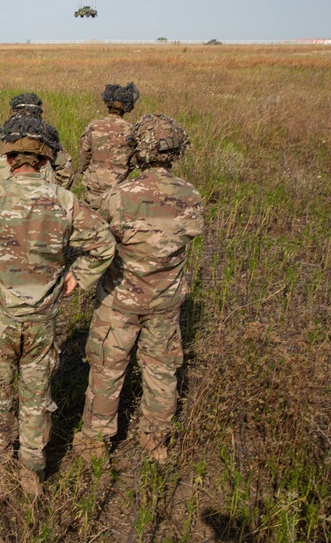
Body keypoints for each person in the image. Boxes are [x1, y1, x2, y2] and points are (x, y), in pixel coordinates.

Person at [0, 113, 115, 497]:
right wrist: (77, 276)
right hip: (42, 321)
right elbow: (103, 243)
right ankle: (32, 470)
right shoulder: (64, 200)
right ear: (47, 159)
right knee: (37, 398)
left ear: (7, 158)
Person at [72, 113, 204, 463]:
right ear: (176, 150)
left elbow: (98, 240)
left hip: (119, 301)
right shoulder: (190, 195)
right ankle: (155, 438)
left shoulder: (120, 195)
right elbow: (187, 234)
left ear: (139, 150)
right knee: (161, 370)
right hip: (166, 301)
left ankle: (95, 442)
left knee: (107, 368)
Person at [0, 93, 75, 192]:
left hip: (3, 198)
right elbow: (65, 173)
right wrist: (56, 195)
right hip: (42, 199)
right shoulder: (48, 142)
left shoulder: (3, 140)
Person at [77, 83, 140, 210]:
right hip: (119, 191)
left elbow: (84, 154)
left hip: (94, 191)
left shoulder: (94, 126)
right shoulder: (131, 130)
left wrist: (84, 170)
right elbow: (134, 160)